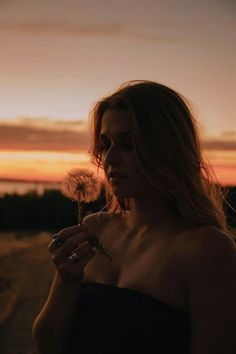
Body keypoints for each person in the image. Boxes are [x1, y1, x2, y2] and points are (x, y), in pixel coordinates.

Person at [32, 80, 236, 354]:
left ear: (168, 150)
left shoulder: (208, 250)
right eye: (105, 144)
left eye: (129, 144)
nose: (110, 158)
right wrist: (65, 281)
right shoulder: (96, 229)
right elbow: (48, 345)